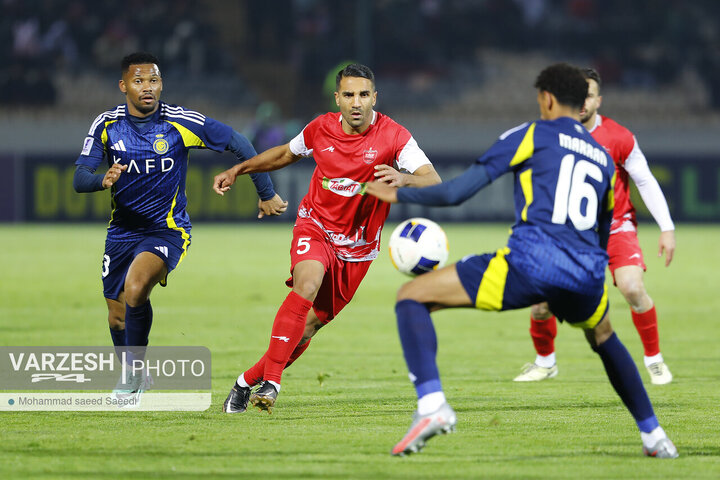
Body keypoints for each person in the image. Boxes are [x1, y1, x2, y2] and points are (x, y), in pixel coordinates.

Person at [365, 63, 678, 459]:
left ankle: (432, 406)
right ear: (582, 102)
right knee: (604, 337)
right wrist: (590, 274)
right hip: (584, 273)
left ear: (546, 98)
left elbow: (458, 192)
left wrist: (401, 194)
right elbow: (603, 228)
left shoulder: (531, 134)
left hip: (532, 264)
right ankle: (655, 437)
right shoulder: (601, 155)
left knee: (411, 296)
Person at [214, 64, 441, 414]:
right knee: (306, 284)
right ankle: (272, 383)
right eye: (348, 94)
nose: (356, 102)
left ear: (374, 98)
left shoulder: (394, 136)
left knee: (305, 330)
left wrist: (403, 178)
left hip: (358, 250)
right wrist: (238, 169)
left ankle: (245, 382)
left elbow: (433, 180)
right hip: (315, 226)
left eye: (363, 95)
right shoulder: (320, 129)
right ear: (337, 98)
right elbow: (284, 154)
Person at [73, 52, 287, 395]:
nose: (147, 88)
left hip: (167, 230)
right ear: (123, 86)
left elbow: (240, 143)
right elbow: (79, 177)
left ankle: (133, 376)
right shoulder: (106, 125)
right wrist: (102, 180)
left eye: (154, 81)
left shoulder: (179, 121)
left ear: (161, 84)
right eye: (138, 81)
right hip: (121, 233)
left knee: (136, 286)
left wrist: (265, 192)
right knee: (116, 317)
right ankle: (134, 371)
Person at [514, 68, 676, 385]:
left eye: (588, 95)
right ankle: (546, 362)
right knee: (540, 302)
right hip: (569, 234)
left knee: (631, 287)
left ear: (598, 100)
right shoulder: (552, 134)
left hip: (615, 229)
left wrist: (666, 227)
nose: (582, 101)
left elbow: (644, 180)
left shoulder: (619, 137)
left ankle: (654, 359)